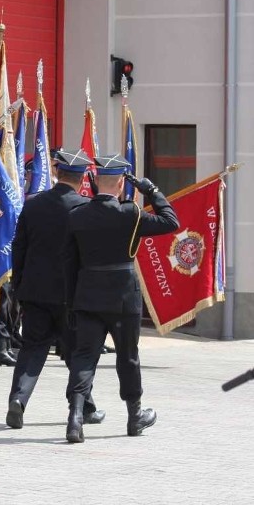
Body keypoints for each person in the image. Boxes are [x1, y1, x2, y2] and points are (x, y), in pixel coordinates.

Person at [63, 154, 179, 443]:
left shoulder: (77, 215)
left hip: (88, 293)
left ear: (94, 181)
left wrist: (71, 299)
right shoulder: (130, 213)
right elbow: (170, 221)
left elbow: (69, 262)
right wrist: (151, 191)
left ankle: (75, 417)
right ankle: (134, 415)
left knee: (84, 356)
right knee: (128, 356)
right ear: (120, 184)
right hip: (124, 296)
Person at [5, 149, 106, 430]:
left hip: (35, 291)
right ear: (82, 177)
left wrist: (19, 285)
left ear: (57, 172)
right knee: (78, 353)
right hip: (70, 295)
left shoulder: (34, 204)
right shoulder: (84, 208)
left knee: (32, 349)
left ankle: (19, 399)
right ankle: (84, 407)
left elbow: (19, 247)